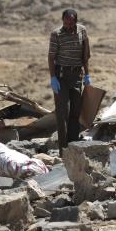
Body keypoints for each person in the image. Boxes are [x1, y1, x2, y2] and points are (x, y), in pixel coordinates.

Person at [48, 8, 91, 148]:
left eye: (71, 23)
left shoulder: (82, 31)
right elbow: (51, 57)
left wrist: (87, 74)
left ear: (75, 22)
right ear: (62, 21)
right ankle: (63, 149)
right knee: (62, 113)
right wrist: (53, 77)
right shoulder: (56, 34)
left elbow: (85, 55)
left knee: (75, 111)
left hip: (77, 75)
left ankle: (73, 145)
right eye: (65, 23)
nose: (68, 26)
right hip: (61, 76)